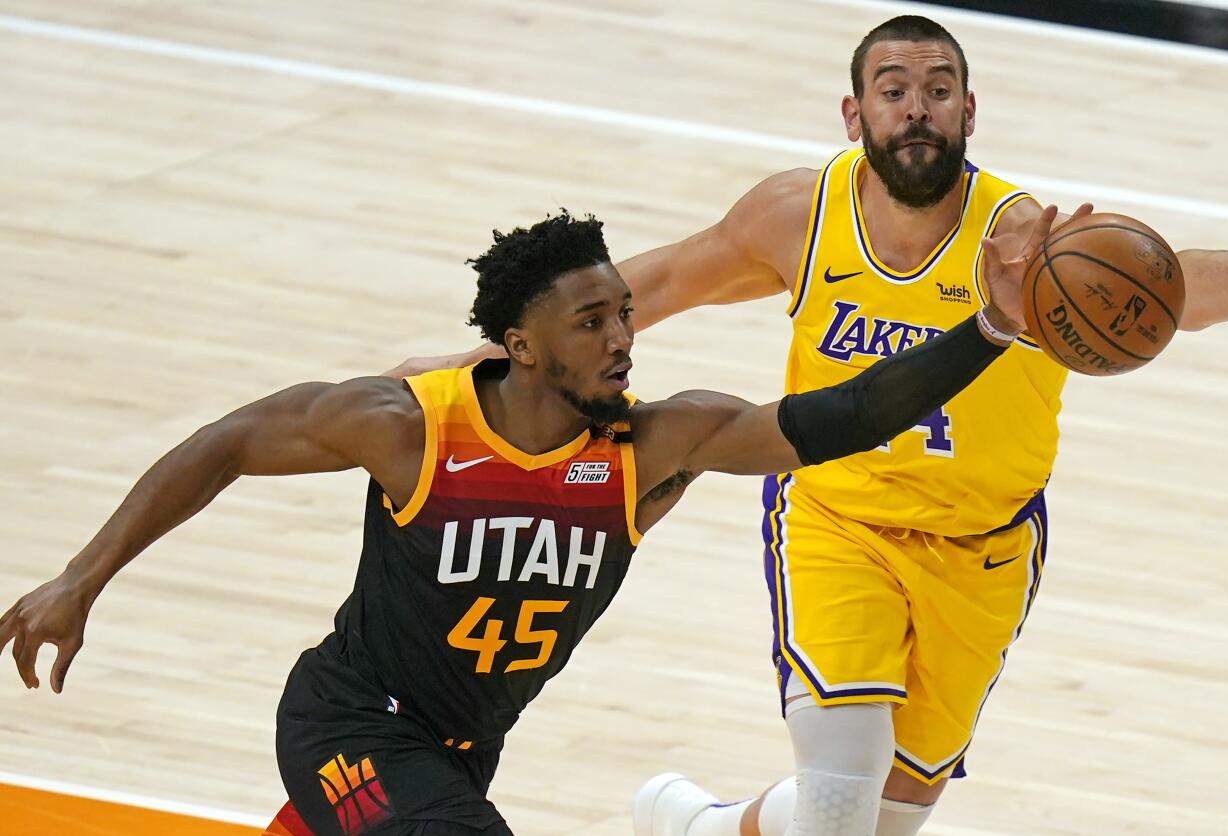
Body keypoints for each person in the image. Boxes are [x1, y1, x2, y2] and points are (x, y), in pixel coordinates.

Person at [388, 17, 1228, 836]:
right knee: (835, 803)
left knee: (880, 820)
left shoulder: (1023, 240)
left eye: (937, 86)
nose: (917, 105)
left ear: (969, 108)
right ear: (854, 109)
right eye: (894, 86)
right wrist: (482, 361)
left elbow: (1156, 287)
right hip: (838, 520)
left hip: (983, 548)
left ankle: (689, 823)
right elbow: (650, 285)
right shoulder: (798, 214)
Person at [0, 206, 1055, 836]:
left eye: (623, 314)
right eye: (589, 322)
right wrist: (79, 580)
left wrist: (993, 324)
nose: (620, 338)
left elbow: (846, 415)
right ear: (521, 341)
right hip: (351, 720)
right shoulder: (411, 427)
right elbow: (226, 441)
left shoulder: (650, 447)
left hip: (464, 742)